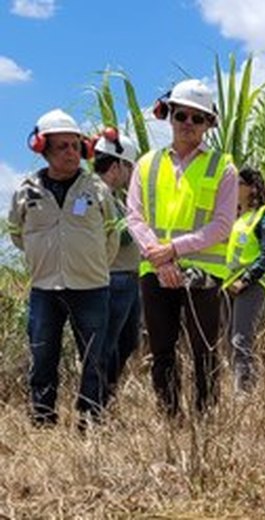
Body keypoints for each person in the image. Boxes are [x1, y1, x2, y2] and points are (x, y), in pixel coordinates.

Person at [126, 79, 236, 418]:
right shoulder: (147, 164)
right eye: (182, 115)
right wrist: (159, 259)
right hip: (156, 272)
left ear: (209, 124)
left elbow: (221, 225)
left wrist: (172, 249)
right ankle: (170, 418)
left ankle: (205, 420)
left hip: (204, 274)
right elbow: (135, 216)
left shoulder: (224, 168)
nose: (188, 124)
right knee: (162, 351)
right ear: (168, 114)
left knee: (205, 351)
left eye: (198, 118)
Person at [7, 109, 119, 427]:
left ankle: (90, 420)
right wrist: (42, 259)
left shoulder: (96, 189)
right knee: (43, 356)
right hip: (45, 288)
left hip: (91, 287)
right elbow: (16, 233)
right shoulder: (26, 191)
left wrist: (91, 264)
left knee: (94, 358)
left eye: (75, 145)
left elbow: (111, 234)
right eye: (62, 146)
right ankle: (43, 419)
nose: (72, 153)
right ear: (43, 149)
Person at [91, 129, 142, 394]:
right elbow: (104, 235)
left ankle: (106, 392)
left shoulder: (114, 197)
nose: (131, 174)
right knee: (106, 343)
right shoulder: (94, 194)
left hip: (129, 279)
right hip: (114, 278)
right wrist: (136, 223)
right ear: (116, 165)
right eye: (129, 167)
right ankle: (96, 402)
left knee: (127, 341)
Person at [223, 167, 265, 394]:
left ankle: (243, 394)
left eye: (238, 184)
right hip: (229, 285)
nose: (234, 188)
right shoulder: (236, 218)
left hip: (250, 286)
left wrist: (245, 280)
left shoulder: (264, 217)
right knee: (230, 342)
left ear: (252, 188)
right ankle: (243, 387)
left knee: (240, 340)